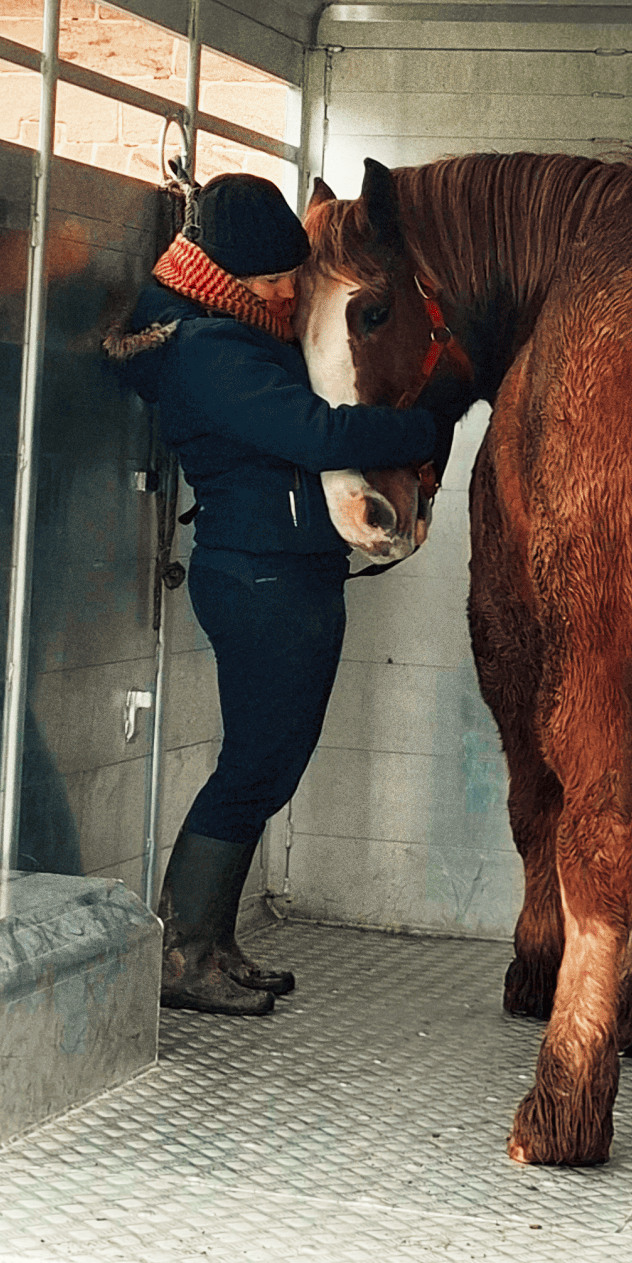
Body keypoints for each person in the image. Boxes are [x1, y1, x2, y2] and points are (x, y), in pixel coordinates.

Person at [109, 172, 453, 1017]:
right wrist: (426, 422)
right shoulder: (207, 348)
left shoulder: (229, 331)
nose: (289, 292)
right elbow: (313, 433)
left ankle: (212, 943)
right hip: (260, 575)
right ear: (229, 277)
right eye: (273, 280)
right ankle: (181, 953)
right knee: (254, 767)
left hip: (280, 569)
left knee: (268, 766)